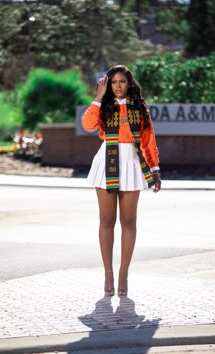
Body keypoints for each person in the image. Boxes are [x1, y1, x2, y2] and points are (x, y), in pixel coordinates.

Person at [82, 65, 161, 297]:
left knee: (129, 222)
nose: (118, 86)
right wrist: (98, 96)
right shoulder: (103, 106)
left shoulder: (140, 108)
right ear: (108, 84)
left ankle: (123, 273)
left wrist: (154, 168)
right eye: (114, 82)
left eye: (122, 82)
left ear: (129, 83)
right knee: (106, 221)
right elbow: (87, 125)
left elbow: (148, 139)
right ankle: (108, 273)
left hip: (132, 162)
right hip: (107, 160)